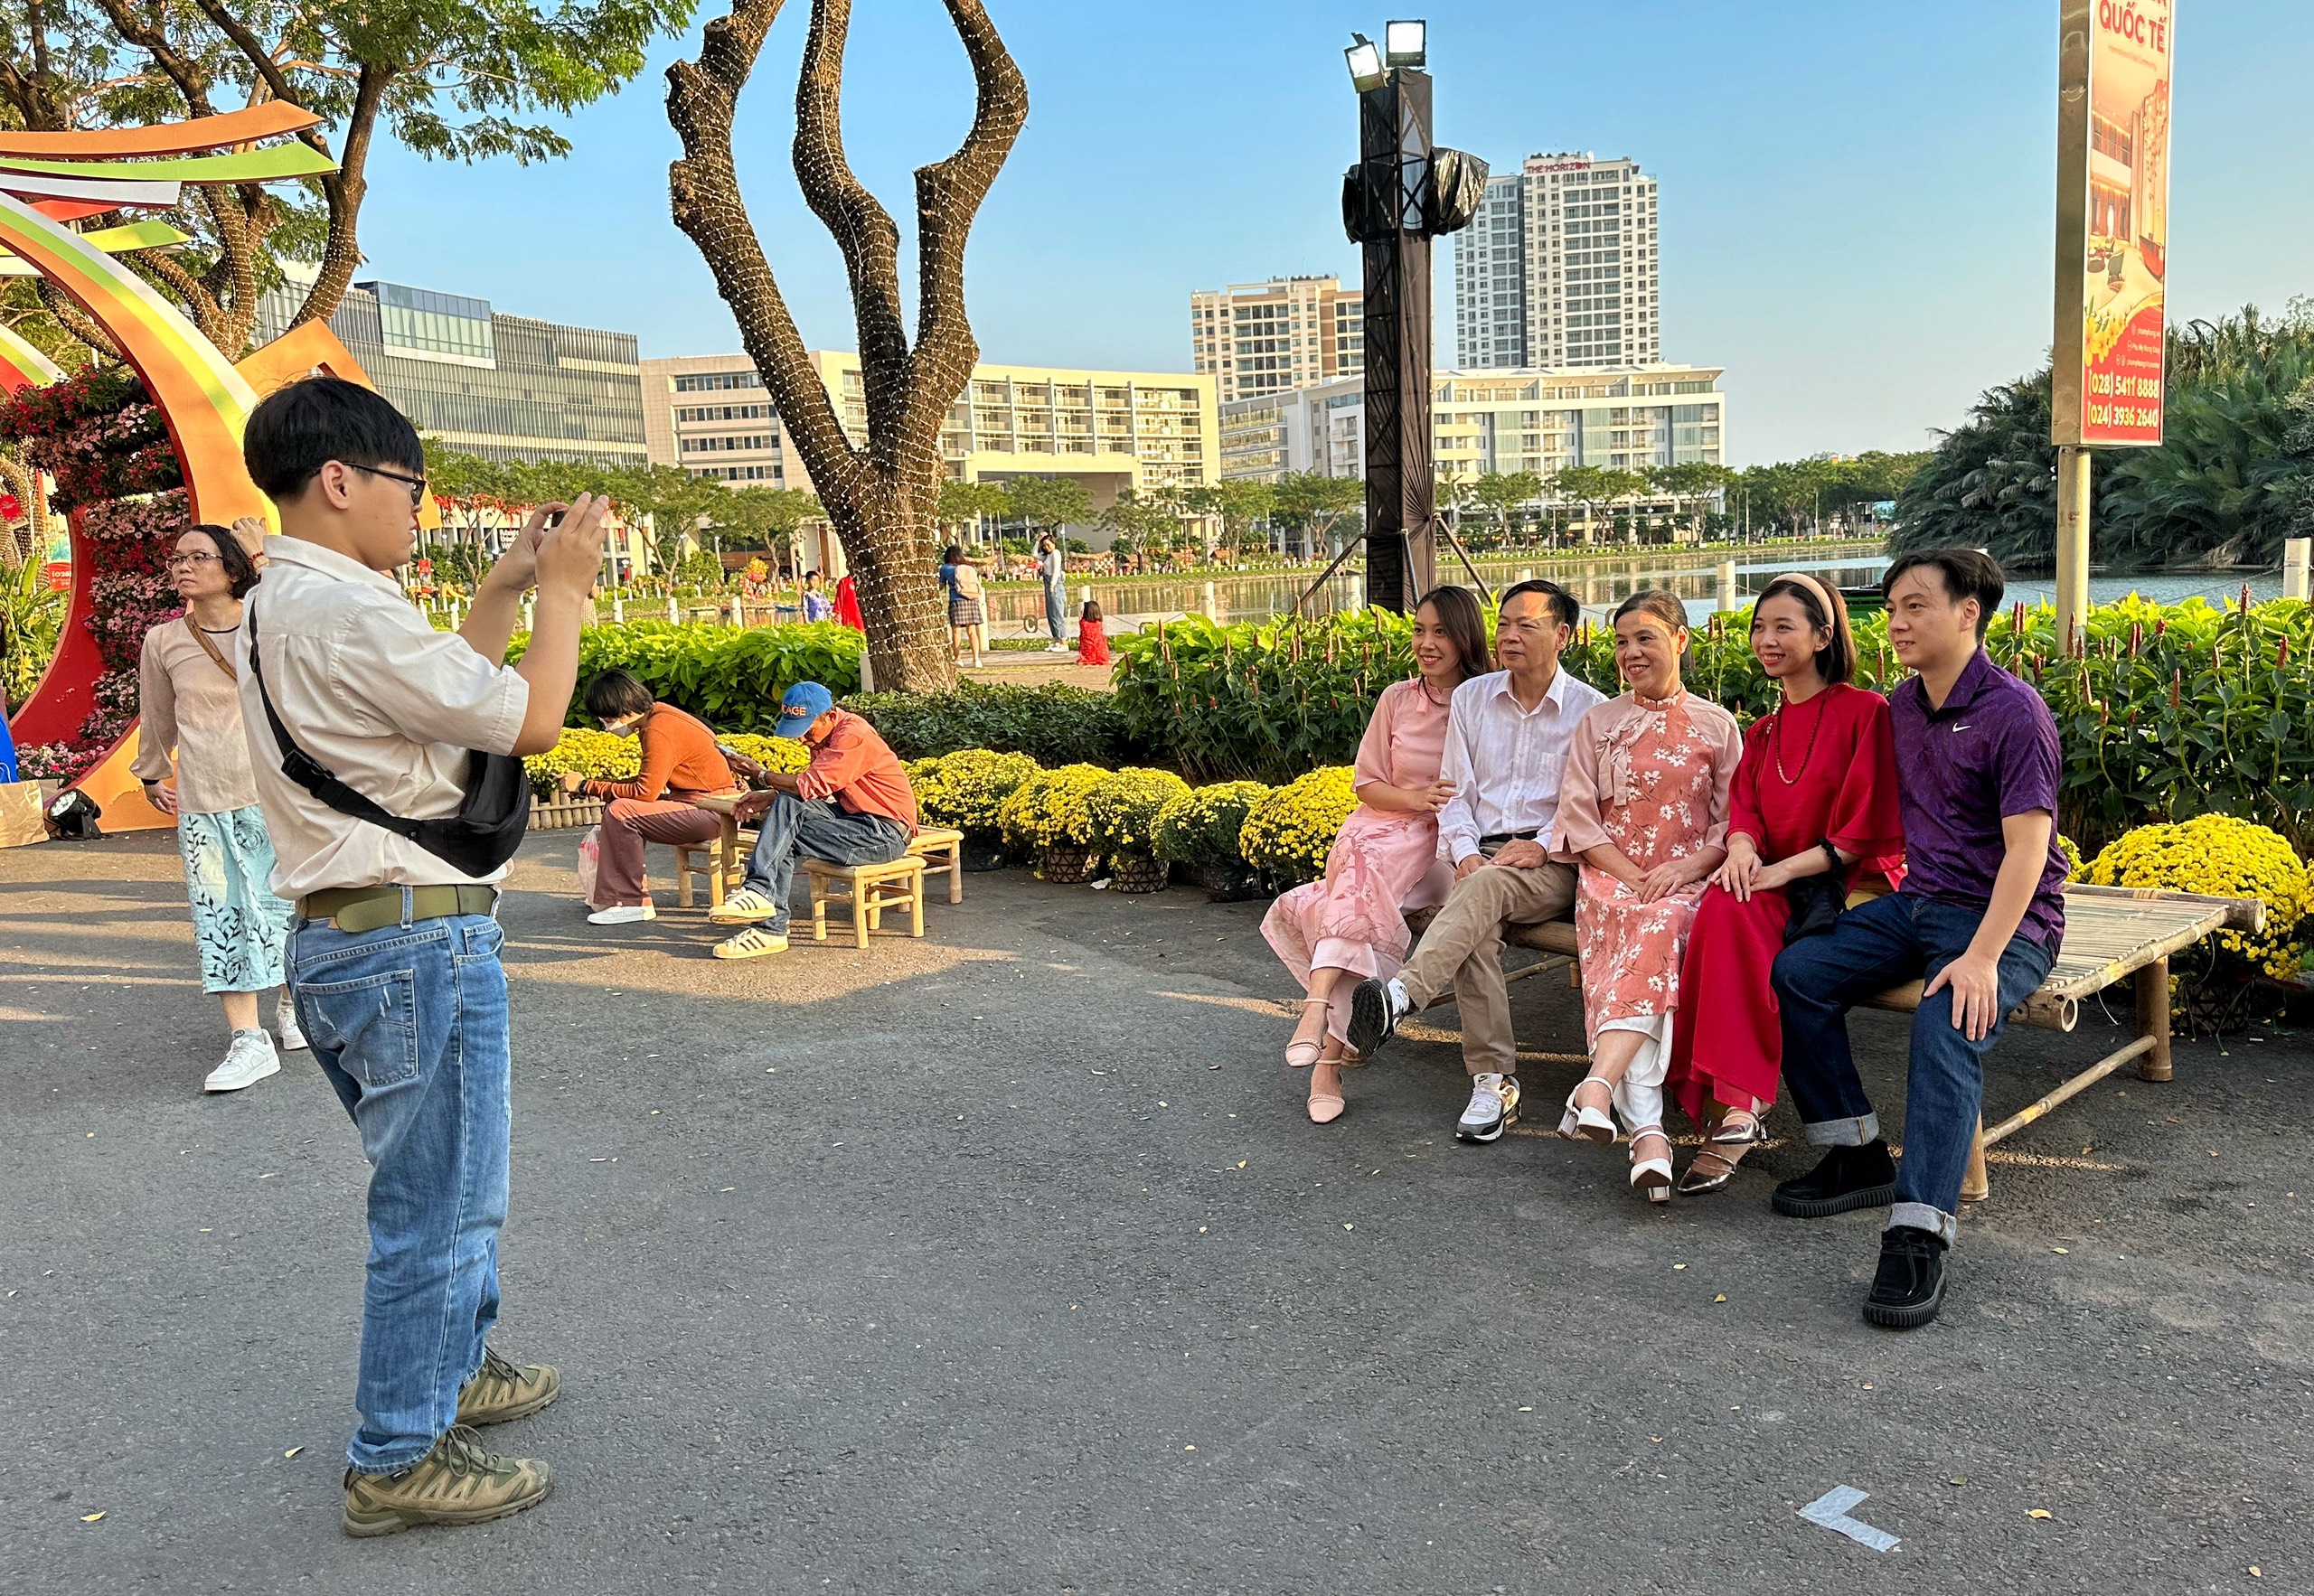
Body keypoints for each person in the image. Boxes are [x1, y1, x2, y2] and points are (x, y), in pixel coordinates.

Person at [237, 375, 607, 1534]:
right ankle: (397, 1452)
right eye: (410, 485)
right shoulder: (345, 609)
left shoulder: (284, 601)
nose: (419, 508)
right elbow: (531, 719)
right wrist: (565, 597)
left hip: (362, 939)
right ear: (340, 479)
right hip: (410, 943)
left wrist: (502, 585)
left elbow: (451, 697)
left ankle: (458, 1363)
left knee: (447, 1194)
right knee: (439, 1207)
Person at [1769, 549, 2068, 1329]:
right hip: (1920, 903)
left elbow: (2030, 852)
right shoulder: (1901, 705)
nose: (1896, 622)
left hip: (2008, 919)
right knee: (1800, 969)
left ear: (1968, 613)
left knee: (1947, 1021)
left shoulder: (2014, 712)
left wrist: (1981, 958)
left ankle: (1918, 1234)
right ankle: (1856, 1153)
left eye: (1915, 607)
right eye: (1892, 608)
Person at [1346, 580, 1609, 1141]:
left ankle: (1402, 997)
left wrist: (1541, 844)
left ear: (1563, 635)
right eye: (1504, 624)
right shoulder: (1473, 699)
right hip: (1482, 858)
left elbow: (1586, 806)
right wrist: (1464, 852)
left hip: (1553, 864)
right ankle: (1494, 1084)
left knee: (1480, 894)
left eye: (1526, 626)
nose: (1509, 636)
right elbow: (1454, 795)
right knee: (1477, 925)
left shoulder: (1592, 712)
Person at [1666, 574, 1904, 1196]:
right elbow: (1743, 809)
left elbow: (1866, 828)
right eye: (1759, 627)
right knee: (1723, 907)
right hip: (1780, 882)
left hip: (1850, 883)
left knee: (1758, 932)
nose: (1766, 640)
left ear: (1824, 635)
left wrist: (1780, 870)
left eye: (1783, 627)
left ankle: (1741, 1105)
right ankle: (1739, 1109)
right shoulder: (1764, 731)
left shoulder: (1865, 712)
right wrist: (1742, 848)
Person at [1262, 587, 1490, 1122]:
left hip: (1439, 846)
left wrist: (1439, 814)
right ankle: (1328, 1043)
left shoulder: (1482, 701)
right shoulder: (1396, 698)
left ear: (1464, 636)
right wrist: (1412, 798)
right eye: (1419, 631)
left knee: (1335, 899)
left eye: (1440, 632)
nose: (1426, 644)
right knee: (1362, 869)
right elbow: (1367, 784)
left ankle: (1321, 1032)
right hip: (1379, 828)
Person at [1547, 591, 1741, 1200]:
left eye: (1646, 638)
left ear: (1681, 640)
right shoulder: (1598, 724)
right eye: (1622, 641)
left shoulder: (1719, 726)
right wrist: (1629, 876)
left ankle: (1614, 1100)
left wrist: (1684, 868)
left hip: (1687, 881)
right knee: (1645, 926)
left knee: (1659, 926)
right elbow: (1578, 821)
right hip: (1610, 879)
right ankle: (1646, 1128)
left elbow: (1730, 824)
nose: (1631, 653)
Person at [132, 522, 304, 1092]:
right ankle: (248, 1040)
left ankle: (290, 1005)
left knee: (288, 906)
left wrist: (267, 559)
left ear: (232, 569)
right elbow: (157, 715)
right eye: (176, 558)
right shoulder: (163, 641)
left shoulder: (266, 620)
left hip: (278, 794)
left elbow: (307, 625)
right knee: (223, 915)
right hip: (206, 800)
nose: (181, 566)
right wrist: (152, 771)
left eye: (197, 556)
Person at [704, 681, 918, 959]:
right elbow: (814, 790)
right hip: (856, 820)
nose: (802, 739)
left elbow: (810, 784)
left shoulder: (853, 735)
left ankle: (766, 913)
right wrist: (768, 795)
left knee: (784, 828)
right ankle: (766, 920)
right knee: (786, 813)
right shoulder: (824, 735)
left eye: (807, 729)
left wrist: (760, 775)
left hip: (884, 834)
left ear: (829, 716)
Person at [560, 670, 736, 925]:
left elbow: (645, 792)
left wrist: (586, 785)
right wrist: (589, 785)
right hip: (703, 804)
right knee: (620, 807)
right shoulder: (659, 716)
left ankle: (632, 902)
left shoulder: (659, 729)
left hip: (712, 810)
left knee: (622, 812)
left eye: (605, 717)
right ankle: (617, 895)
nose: (605, 724)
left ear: (622, 710)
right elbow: (647, 783)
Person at [937, 544, 986, 668]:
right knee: (972, 632)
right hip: (971, 600)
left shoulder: (945, 568)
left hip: (956, 600)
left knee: (956, 631)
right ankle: (976, 660)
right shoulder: (968, 567)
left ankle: (958, 658)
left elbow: (941, 586)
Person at [1038, 533, 1069, 652]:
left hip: (1054, 584)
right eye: (1044, 545)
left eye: (1048, 544)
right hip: (1047, 583)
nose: (1046, 547)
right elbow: (1034, 554)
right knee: (1051, 613)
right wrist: (1038, 540)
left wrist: (1052, 584)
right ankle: (1056, 639)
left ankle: (1063, 641)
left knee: (1057, 612)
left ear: (1053, 543)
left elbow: (1056, 570)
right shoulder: (1047, 556)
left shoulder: (1056, 553)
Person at [1076, 596, 1112, 667]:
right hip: (1101, 648)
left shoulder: (1083, 623)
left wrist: (1081, 613)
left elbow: (1081, 620)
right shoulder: (1099, 623)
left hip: (1087, 649)